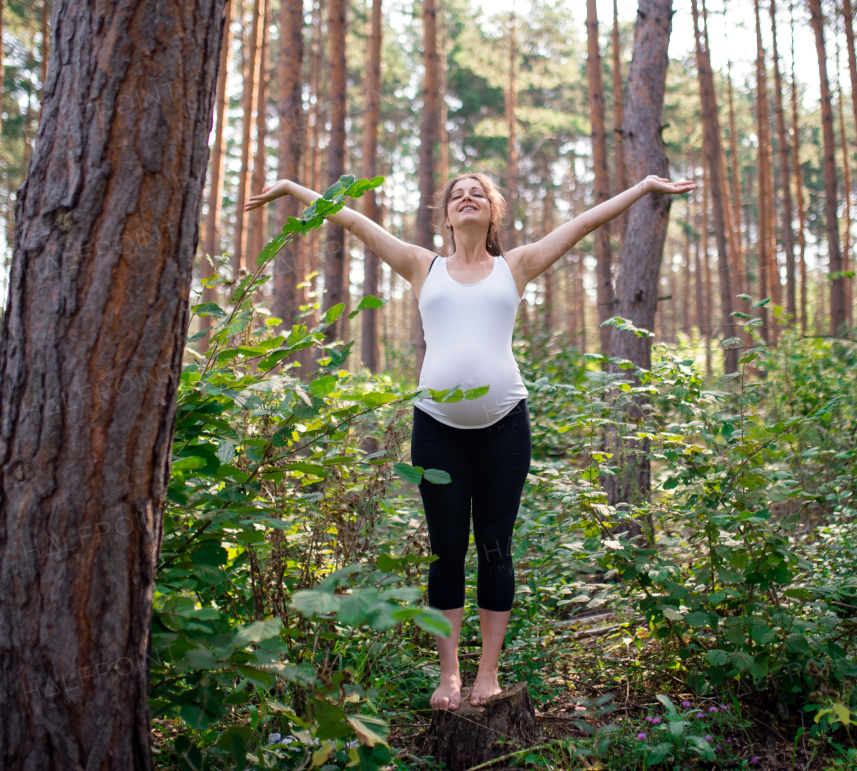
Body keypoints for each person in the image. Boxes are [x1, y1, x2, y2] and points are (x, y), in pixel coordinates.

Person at [246, 172, 697, 710]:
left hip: (505, 427)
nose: (467, 198)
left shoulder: (516, 266)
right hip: (436, 429)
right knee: (446, 553)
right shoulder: (422, 266)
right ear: (446, 215)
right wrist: (295, 189)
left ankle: (489, 674)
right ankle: (449, 677)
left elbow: (583, 224)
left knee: (495, 549)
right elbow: (353, 221)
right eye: (457, 193)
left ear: (492, 213)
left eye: (477, 193)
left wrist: (643, 188)